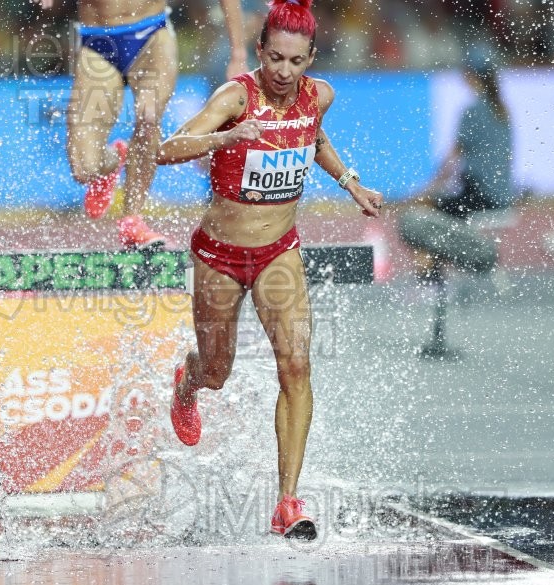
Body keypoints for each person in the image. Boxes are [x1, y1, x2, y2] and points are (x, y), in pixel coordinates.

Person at [157, 0, 382, 539]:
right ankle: (187, 384)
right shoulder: (236, 97)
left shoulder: (318, 96)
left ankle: (287, 502)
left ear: (311, 59)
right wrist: (225, 138)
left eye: (296, 61)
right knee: (218, 371)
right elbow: (168, 149)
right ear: (259, 52)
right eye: (275, 58)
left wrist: (350, 183)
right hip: (220, 257)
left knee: (297, 368)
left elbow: (315, 139)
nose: (284, 72)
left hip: (279, 252)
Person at [36, 0, 247, 249]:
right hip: (97, 42)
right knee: (84, 168)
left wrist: (238, 53)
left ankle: (132, 220)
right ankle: (113, 160)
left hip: (151, 35)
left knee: (148, 117)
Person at [398, 44, 511, 357]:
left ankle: (430, 281)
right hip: (499, 195)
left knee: (424, 218)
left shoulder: (473, 111)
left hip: (481, 194)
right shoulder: (502, 109)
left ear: (472, 76)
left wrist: (424, 193)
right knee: (440, 212)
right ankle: (437, 276)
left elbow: (451, 162)